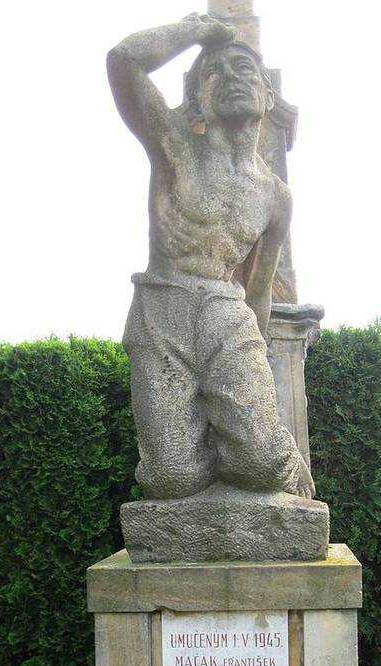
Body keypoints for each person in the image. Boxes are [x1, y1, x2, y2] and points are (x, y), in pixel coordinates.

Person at [107, 13, 314, 500]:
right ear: (198, 98)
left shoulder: (276, 197)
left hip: (227, 314)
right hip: (163, 308)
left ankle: (286, 471)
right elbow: (123, 61)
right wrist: (195, 30)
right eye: (214, 72)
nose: (231, 77)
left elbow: (258, 289)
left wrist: (255, 363)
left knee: (262, 463)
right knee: (171, 478)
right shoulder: (175, 145)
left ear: (267, 95)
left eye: (244, 69)